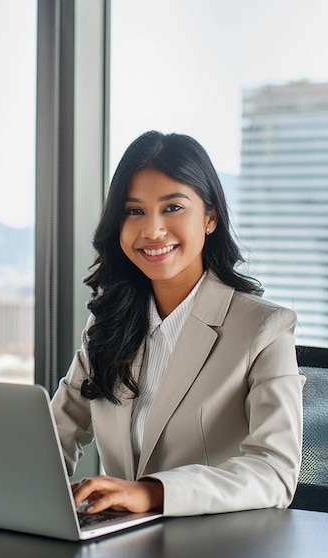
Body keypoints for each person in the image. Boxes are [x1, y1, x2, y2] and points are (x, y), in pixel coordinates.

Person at [51, 130, 304, 517]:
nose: (152, 230)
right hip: (124, 553)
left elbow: (275, 471)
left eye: (172, 208)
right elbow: (55, 435)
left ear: (210, 217)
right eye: (134, 211)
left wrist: (152, 493)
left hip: (216, 556)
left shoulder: (265, 329)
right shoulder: (107, 325)